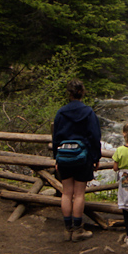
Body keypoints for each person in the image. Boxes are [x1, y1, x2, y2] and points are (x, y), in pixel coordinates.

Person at [52, 79, 101, 242]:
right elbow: (95, 136)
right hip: (83, 156)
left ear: (69, 93)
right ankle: (78, 229)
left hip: (64, 156)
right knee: (79, 193)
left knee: (66, 193)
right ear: (83, 93)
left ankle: (67, 229)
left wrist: (55, 157)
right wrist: (96, 157)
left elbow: (55, 137)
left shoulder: (61, 112)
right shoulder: (88, 112)